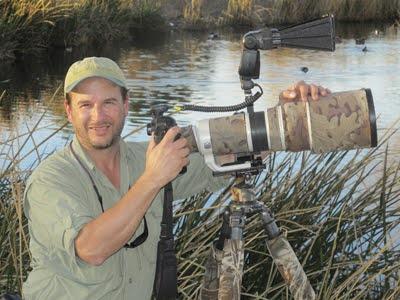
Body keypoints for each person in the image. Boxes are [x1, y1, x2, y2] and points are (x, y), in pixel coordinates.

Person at [22, 57, 330, 299]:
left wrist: (285, 118)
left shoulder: (149, 156)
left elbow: (228, 160)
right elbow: (91, 249)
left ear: (126, 105)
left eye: (109, 103)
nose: (98, 116)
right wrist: (152, 179)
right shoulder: (50, 180)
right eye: (85, 104)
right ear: (68, 110)